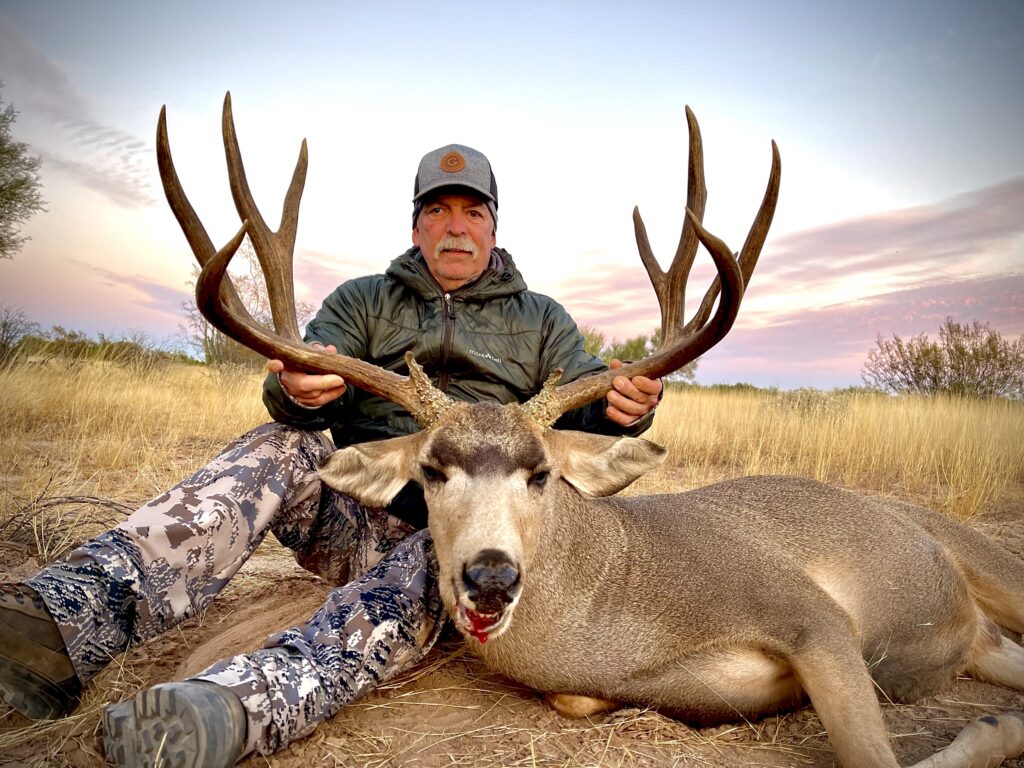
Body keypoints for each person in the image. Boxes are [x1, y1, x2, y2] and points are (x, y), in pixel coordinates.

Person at [0, 143, 662, 766]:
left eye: (471, 212)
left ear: (493, 227)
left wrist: (623, 405)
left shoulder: (542, 319)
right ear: (416, 228)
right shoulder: (363, 302)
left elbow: (587, 410)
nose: (455, 228)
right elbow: (299, 384)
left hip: (472, 539)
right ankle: (59, 624)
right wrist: (297, 390)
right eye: (437, 211)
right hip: (357, 507)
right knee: (278, 445)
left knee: (447, 541)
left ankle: (229, 710)